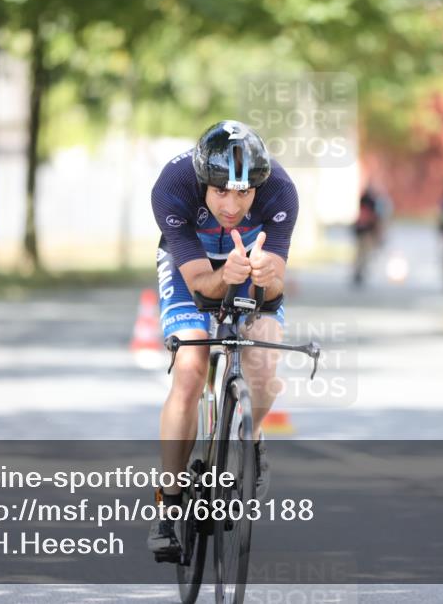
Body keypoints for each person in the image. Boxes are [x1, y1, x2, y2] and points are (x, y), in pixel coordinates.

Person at [147, 120, 298, 561]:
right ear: (203, 182)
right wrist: (223, 277)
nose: (232, 206)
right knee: (190, 369)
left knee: (263, 368)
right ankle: (169, 504)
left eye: (244, 193)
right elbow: (199, 284)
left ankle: (251, 437)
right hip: (190, 266)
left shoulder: (281, 191)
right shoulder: (173, 185)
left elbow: (275, 286)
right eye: (220, 192)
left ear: (258, 186)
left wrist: (266, 276)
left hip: (250, 262)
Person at [352, 185, 384, 285]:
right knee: (363, 253)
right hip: (365, 231)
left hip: (363, 230)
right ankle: (360, 270)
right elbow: (373, 218)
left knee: (362, 253)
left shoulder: (366, 203)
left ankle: (360, 270)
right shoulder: (370, 204)